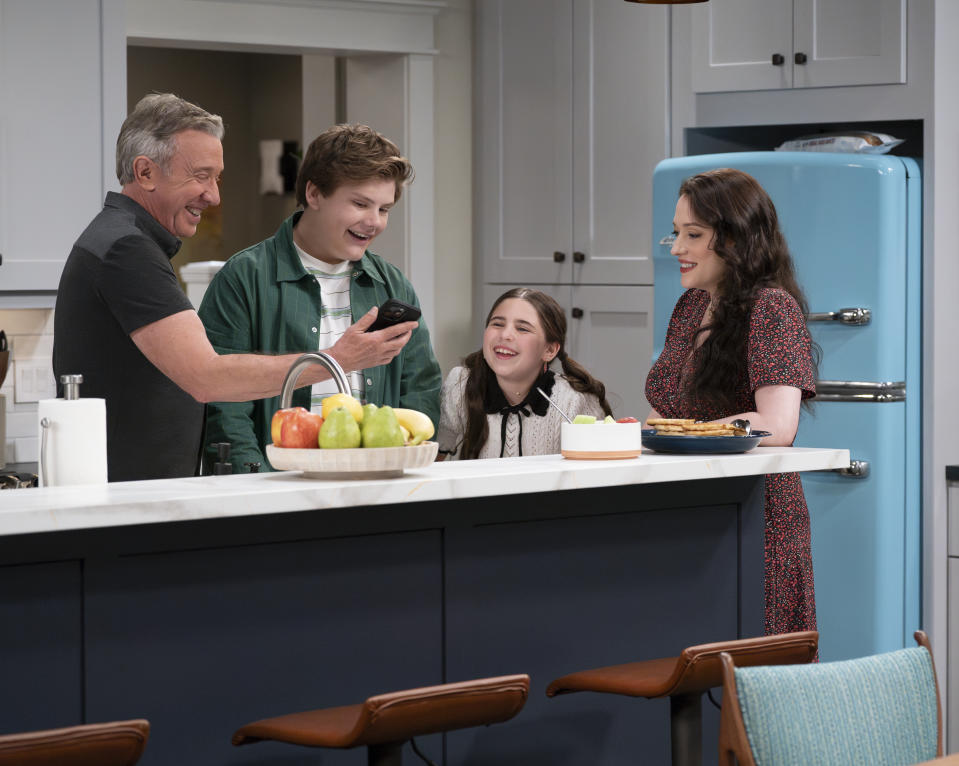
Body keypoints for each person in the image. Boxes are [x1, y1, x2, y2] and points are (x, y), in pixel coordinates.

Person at [53, 94, 417, 482]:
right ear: (145, 173)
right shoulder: (127, 250)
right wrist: (336, 359)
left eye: (217, 177)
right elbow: (208, 378)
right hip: (125, 498)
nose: (214, 195)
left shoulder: (120, 241)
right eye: (200, 175)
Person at [198, 123, 441, 472]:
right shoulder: (243, 278)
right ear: (314, 194)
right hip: (274, 490)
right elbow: (223, 406)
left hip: (375, 486)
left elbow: (420, 391)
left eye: (384, 209)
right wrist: (259, 492)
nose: (374, 222)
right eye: (360, 203)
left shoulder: (392, 286)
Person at [644, 168, 819, 636]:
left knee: (753, 673)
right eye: (676, 233)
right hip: (695, 509)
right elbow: (669, 411)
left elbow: (777, 425)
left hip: (753, 518)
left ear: (736, 238)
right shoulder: (690, 307)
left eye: (693, 234)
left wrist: (684, 434)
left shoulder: (771, 307)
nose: (677, 248)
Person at [438, 288, 611, 460]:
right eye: (497, 324)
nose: (505, 335)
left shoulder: (576, 400)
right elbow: (431, 461)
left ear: (550, 350)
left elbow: (598, 477)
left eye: (522, 329)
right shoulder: (460, 384)